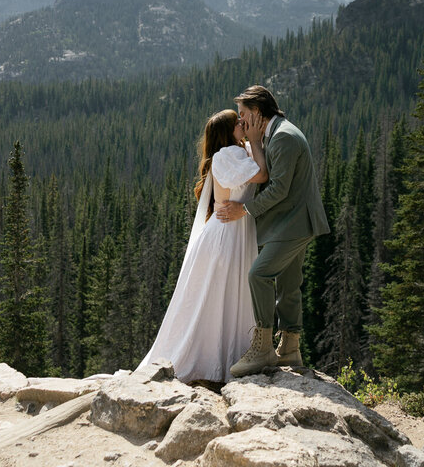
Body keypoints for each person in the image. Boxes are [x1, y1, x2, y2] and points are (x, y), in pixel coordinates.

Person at [135, 109, 268, 383]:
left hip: (235, 230)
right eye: (237, 122)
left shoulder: (235, 151)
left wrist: (252, 141)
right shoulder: (226, 155)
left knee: (227, 294)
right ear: (228, 131)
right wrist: (255, 140)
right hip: (226, 235)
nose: (242, 124)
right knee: (220, 296)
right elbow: (261, 175)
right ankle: (215, 362)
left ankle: (229, 357)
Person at [217, 85, 330, 377]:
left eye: (243, 115)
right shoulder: (275, 134)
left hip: (295, 222)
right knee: (289, 283)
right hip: (293, 221)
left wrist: (243, 210)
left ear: (256, 112)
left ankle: (263, 347)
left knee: (259, 274)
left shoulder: (283, 138)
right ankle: (290, 349)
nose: (240, 121)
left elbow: (279, 188)